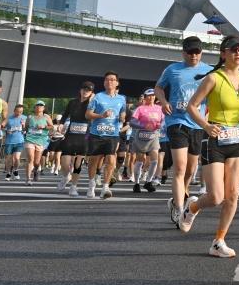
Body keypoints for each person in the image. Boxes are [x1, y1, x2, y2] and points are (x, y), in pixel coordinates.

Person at [180, 35, 239, 257]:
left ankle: (219, 241)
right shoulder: (214, 78)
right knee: (216, 197)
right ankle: (192, 207)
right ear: (224, 53)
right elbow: (192, 106)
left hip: (235, 139)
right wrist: (205, 125)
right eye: (234, 49)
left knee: (233, 196)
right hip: (214, 138)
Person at [154, 36, 213, 226]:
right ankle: (180, 210)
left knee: (190, 169)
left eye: (197, 52)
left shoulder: (209, 71)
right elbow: (158, 88)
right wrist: (163, 102)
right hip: (177, 121)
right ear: (183, 52)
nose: (193, 55)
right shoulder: (172, 70)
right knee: (179, 167)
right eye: (190, 52)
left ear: (201, 52)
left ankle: (180, 196)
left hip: (198, 124)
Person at [85, 71, 128, 200]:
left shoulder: (121, 99)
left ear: (117, 83)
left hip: (113, 134)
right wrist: (101, 116)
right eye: (107, 80)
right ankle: (91, 185)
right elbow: (87, 115)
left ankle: (105, 187)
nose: (110, 81)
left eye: (112, 79)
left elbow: (123, 113)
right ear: (104, 83)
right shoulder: (97, 97)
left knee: (110, 160)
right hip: (97, 133)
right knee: (94, 161)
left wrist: (122, 117)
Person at [58, 82, 94, 196]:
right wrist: (61, 124)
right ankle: (65, 176)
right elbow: (65, 114)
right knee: (64, 162)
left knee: (78, 164)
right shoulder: (72, 102)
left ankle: (73, 187)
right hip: (71, 135)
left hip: (84, 137)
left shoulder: (92, 104)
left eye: (88, 90)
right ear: (80, 90)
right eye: (84, 89)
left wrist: (93, 99)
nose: (85, 91)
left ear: (91, 92)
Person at [129, 89, 164, 193]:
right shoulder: (140, 108)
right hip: (141, 137)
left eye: (153, 95)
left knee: (155, 160)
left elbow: (163, 122)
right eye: (149, 96)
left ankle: (148, 182)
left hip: (154, 136)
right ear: (145, 97)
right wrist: (143, 125)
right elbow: (132, 122)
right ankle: (136, 183)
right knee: (140, 159)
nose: (151, 97)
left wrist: (159, 125)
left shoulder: (159, 109)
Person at [23, 101, 53, 184]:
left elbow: (51, 127)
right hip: (30, 139)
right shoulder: (30, 117)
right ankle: (28, 179)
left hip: (40, 140)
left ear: (43, 108)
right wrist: (23, 128)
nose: (39, 107)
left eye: (41, 106)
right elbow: (26, 128)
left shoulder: (46, 117)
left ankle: (36, 170)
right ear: (35, 107)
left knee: (36, 162)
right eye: (38, 105)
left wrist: (44, 127)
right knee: (30, 159)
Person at [3, 104, 26, 181]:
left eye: (21, 112)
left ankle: (15, 170)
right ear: (14, 111)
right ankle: (9, 172)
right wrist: (7, 130)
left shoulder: (24, 118)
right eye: (18, 111)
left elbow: (27, 129)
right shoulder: (9, 118)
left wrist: (24, 126)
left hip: (19, 141)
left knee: (16, 158)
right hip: (9, 141)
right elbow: (2, 127)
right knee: (8, 159)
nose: (19, 113)